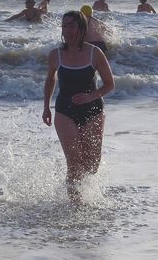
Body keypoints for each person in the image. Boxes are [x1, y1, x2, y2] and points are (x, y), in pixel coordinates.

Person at [42, 11, 115, 204]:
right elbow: (50, 80)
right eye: (64, 26)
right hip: (64, 111)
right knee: (74, 164)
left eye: (71, 26)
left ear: (81, 28)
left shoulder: (94, 53)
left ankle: (78, 192)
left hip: (93, 111)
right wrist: (46, 107)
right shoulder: (55, 55)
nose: (67, 31)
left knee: (91, 166)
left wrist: (90, 96)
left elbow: (109, 84)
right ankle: (76, 204)